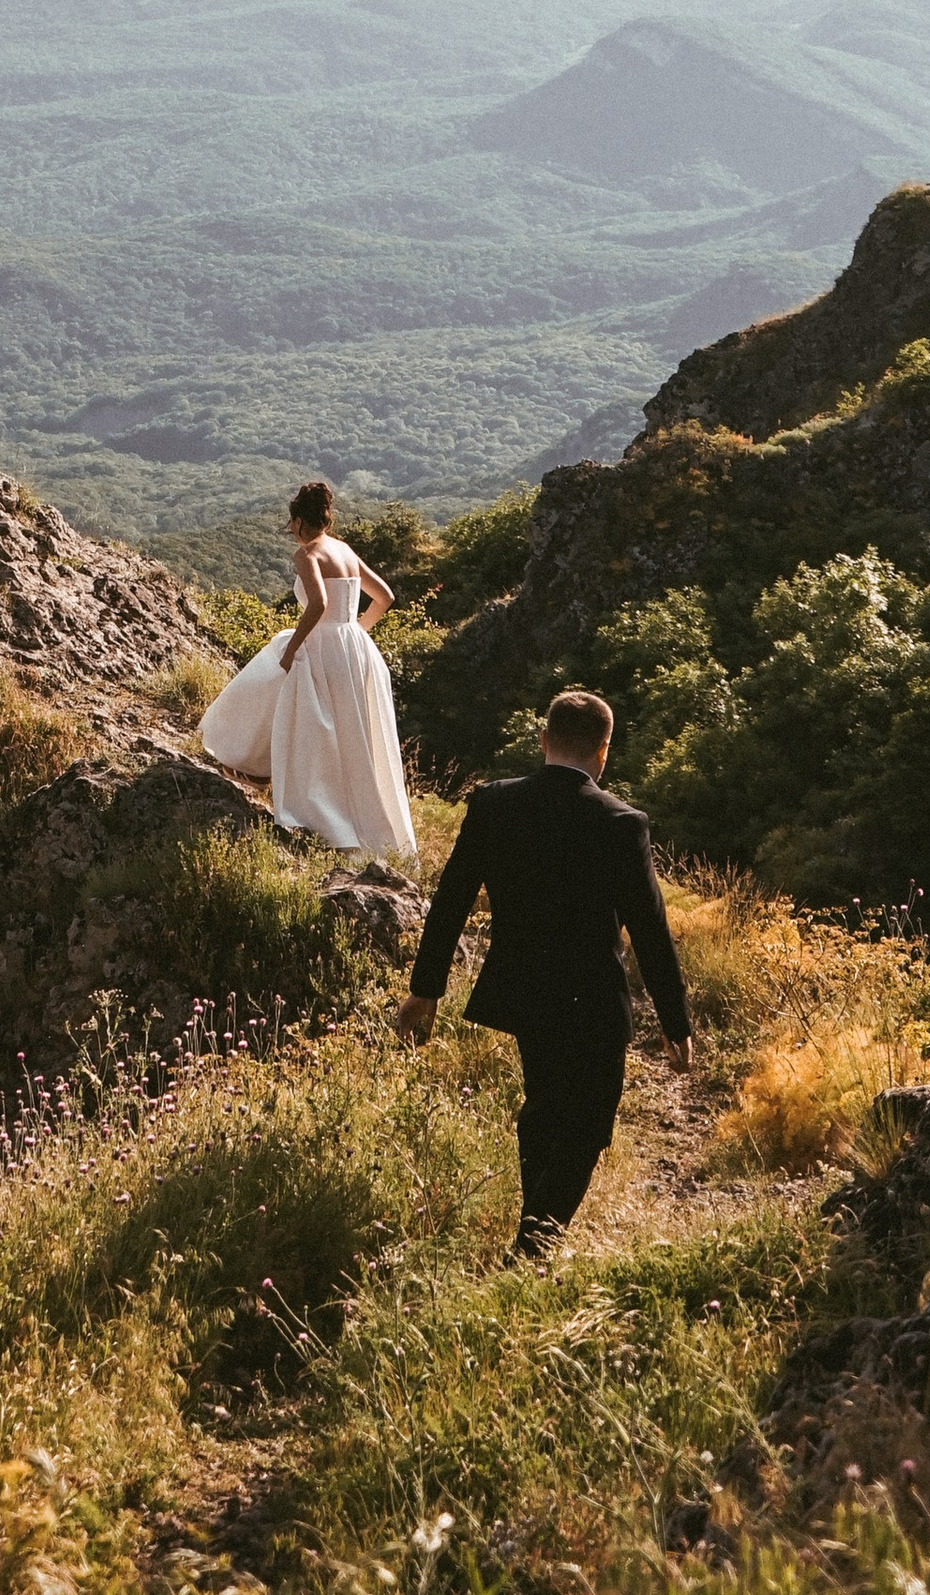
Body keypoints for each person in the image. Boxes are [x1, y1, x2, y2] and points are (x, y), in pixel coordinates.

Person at [395, 687, 692, 1255]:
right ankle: (535, 1245)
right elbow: (650, 928)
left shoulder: (494, 804)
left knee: (543, 1108)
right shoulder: (621, 822)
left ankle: (532, 1234)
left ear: (542, 740)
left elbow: (450, 899)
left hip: (524, 989)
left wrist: (425, 990)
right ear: (604, 752)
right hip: (593, 999)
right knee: (588, 1126)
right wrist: (675, 1020)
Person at [199, 479, 418, 864]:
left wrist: (295, 649)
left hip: (323, 645)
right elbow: (385, 596)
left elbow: (316, 605)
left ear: (298, 521)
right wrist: (355, 632)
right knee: (354, 735)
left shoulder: (308, 554)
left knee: (300, 715)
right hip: (356, 648)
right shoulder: (345, 549)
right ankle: (362, 821)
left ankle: (257, 771)